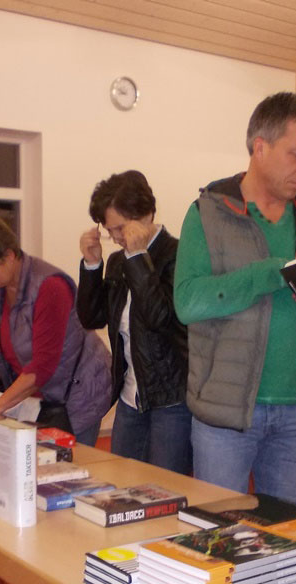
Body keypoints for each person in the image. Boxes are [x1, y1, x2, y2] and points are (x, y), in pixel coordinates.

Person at [173, 91, 296, 505]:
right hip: (226, 415)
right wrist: (267, 274)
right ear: (260, 147)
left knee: (285, 534)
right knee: (219, 531)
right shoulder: (207, 214)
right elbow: (188, 302)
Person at [0, 215, 112, 446]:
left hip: (78, 396)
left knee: (65, 464)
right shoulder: (0, 287)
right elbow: (5, 357)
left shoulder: (50, 287)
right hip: (42, 399)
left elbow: (42, 367)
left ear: (9, 255)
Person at [76, 170, 192, 474]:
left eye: (120, 228)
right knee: (122, 484)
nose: (115, 237)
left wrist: (139, 257)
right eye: (109, 230)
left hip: (172, 400)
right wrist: (92, 265)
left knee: (167, 487)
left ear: (146, 215)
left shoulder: (179, 256)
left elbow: (159, 318)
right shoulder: (118, 261)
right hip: (131, 396)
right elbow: (91, 317)